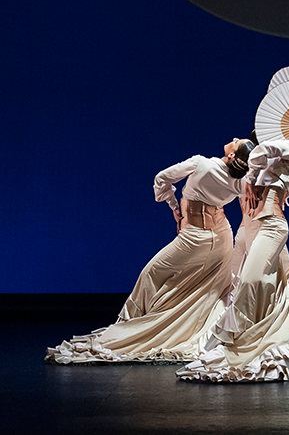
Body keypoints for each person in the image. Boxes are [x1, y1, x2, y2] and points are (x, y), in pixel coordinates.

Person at [46, 138, 256, 363]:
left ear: (233, 156)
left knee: (152, 273)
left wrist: (174, 206)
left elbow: (161, 178)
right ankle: (198, 330)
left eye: (237, 142)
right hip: (222, 235)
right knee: (210, 289)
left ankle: (130, 326)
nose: (233, 139)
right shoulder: (243, 183)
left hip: (195, 236)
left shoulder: (201, 164)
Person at [176, 133, 289, 382]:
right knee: (257, 283)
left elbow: (265, 148)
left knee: (249, 282)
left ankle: (244, 343)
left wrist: (250, 176)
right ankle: (253, 338)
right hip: (256, 225)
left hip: (269, 225)